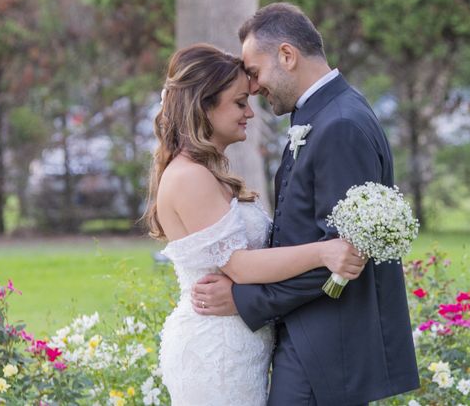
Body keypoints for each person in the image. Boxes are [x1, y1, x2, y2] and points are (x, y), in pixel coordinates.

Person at [190, 3, 420, 405]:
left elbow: (342, 258)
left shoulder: (340, 125)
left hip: (326, 349)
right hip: (309, 334)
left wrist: (245, 300)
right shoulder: (328, 113)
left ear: (287, 55)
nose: (255, 88)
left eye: (256, 72)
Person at [144, 43, 367, 406]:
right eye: (239, 102)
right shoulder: (189, 178)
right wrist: (325, 251)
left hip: (239, 346)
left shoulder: (207, 172)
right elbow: (241, 266)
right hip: (215, 354)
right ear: (203, 106)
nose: (250, 112)